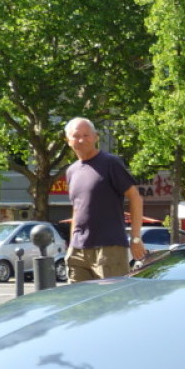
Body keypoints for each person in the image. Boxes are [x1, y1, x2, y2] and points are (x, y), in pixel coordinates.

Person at [63, 117, 146, 282]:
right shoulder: (72, 171)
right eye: (76, 135)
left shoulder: (110, 163)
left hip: (109, 248)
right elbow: (77, 209)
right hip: (78, 250)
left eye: (87, 135)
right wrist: (72, 245)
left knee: (113, 302)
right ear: (68, 141)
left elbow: (135, 197)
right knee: (79, 303)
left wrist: (136, 238)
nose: (82, 139)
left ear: (96, 137)